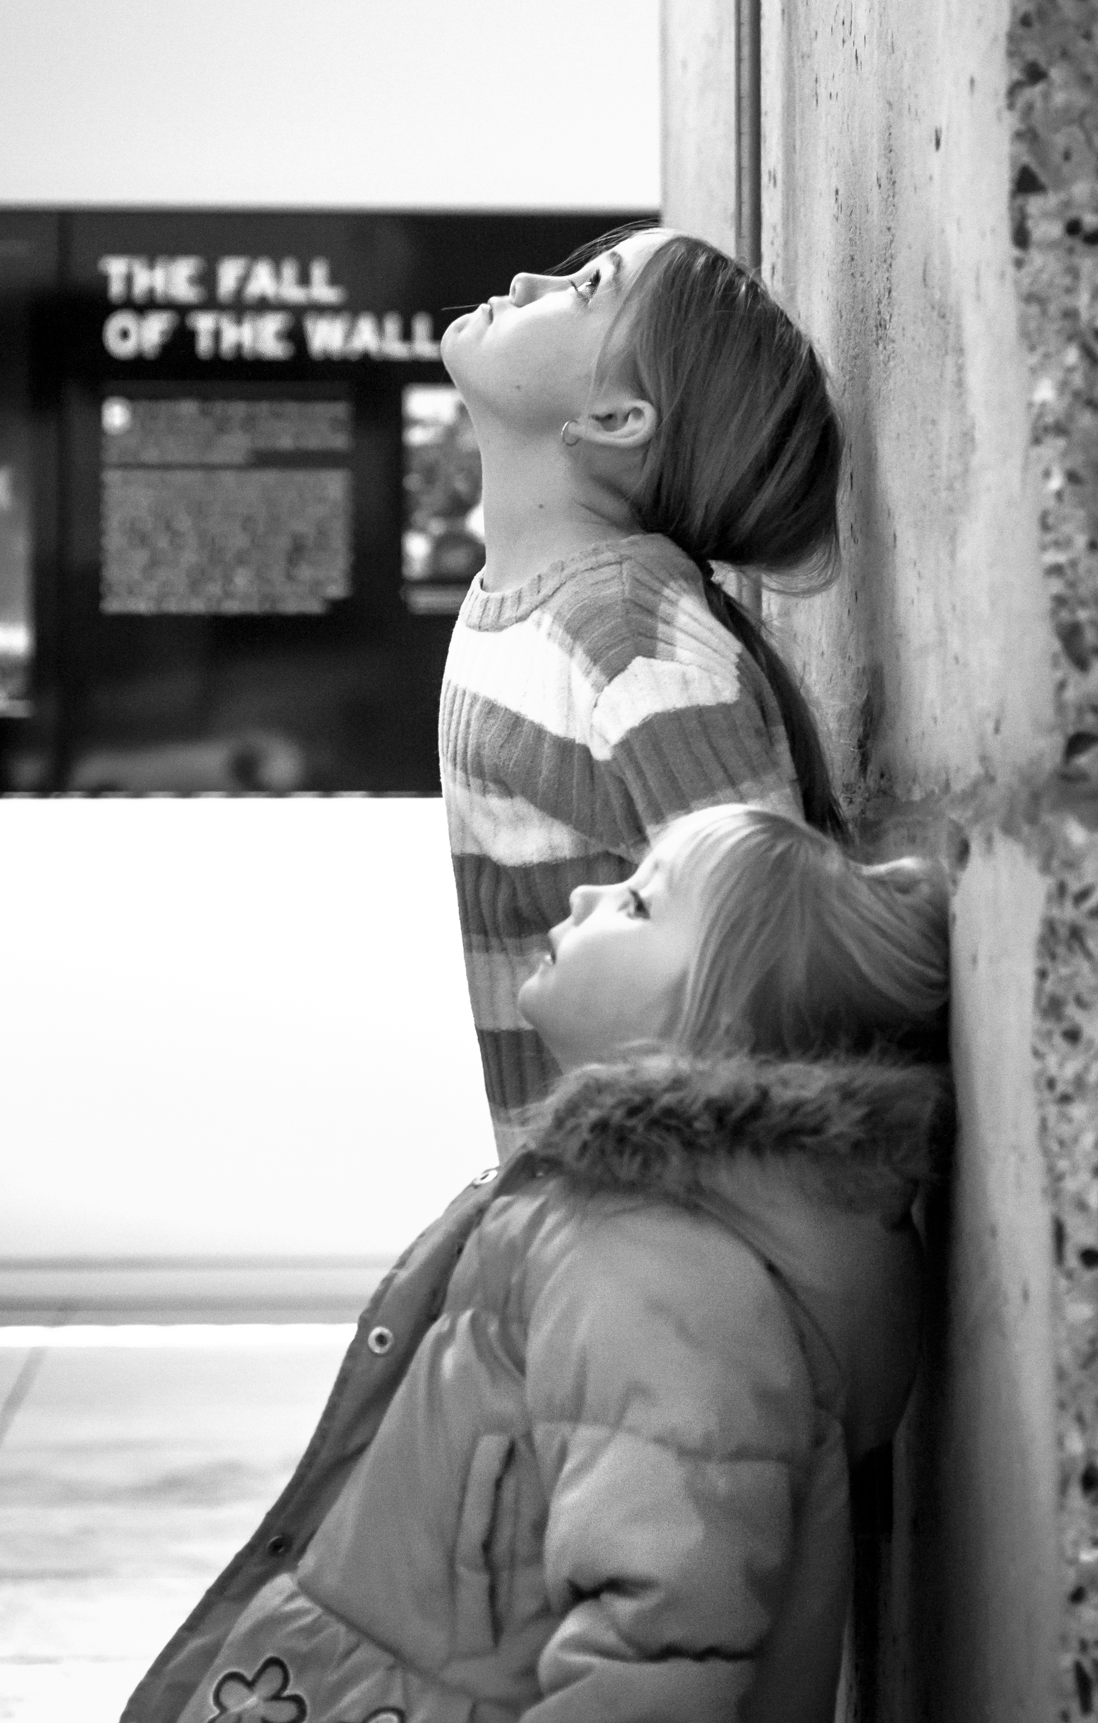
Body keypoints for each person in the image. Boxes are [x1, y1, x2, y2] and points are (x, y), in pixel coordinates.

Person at [123, 806, 952, 1723]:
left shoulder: (664, 1272)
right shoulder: (629, 1224)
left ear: (710, 1025)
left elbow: (662, 1634)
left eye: (639, 904)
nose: (588, 891)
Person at [439, 227, 847, 1153]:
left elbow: (769, 1011)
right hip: (579, 1211)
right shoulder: (524, 609)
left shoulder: (631, 642)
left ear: (620, 418)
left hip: (663, 1229)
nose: (525, 274)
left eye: (584, 288)